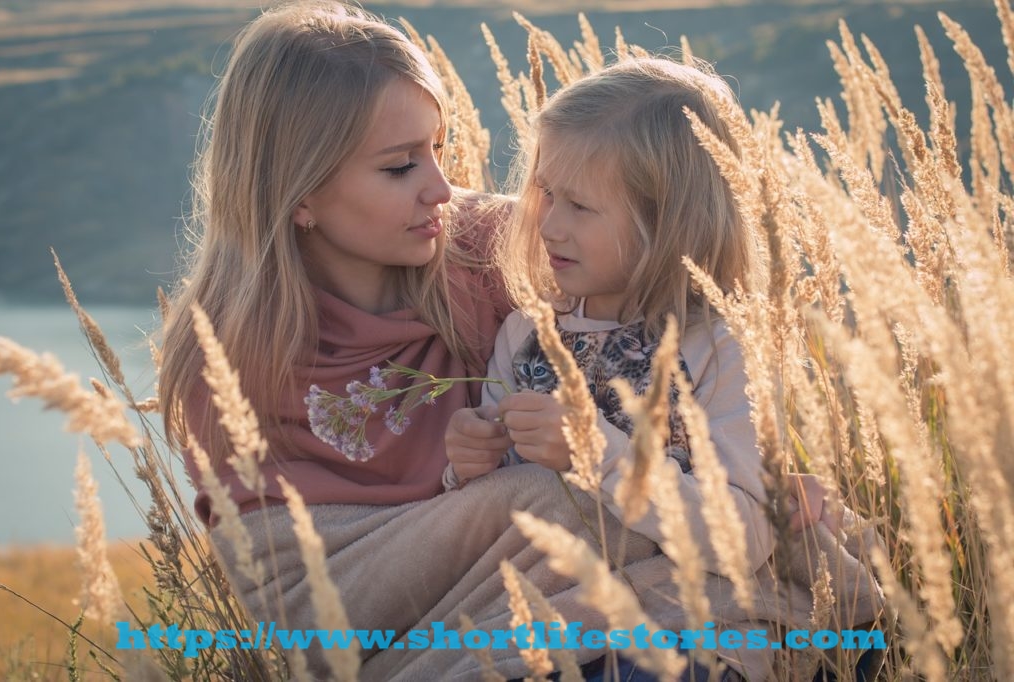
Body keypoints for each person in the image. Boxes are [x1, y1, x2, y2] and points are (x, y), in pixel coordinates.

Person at [156, 3, 697, 681]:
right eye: (398, 167)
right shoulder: (228, 344)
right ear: (298, 194)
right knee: (542, 504)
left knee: (563, 512)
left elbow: (673, 316)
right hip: (352, 592)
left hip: (516, 575)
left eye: (437, 149)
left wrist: (747, 470)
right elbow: (280, 584)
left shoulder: (486, 250)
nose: (441, 188)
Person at [443, 58, 885, 680]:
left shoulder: (719, 350)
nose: (548, 222)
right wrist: (466, 464)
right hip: (565, 614)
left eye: (580, 205)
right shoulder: (527, 336)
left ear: (666, 221)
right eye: (544, 192)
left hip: (698, 623)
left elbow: (743, 539)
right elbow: (502, 514)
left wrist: (596, 451)